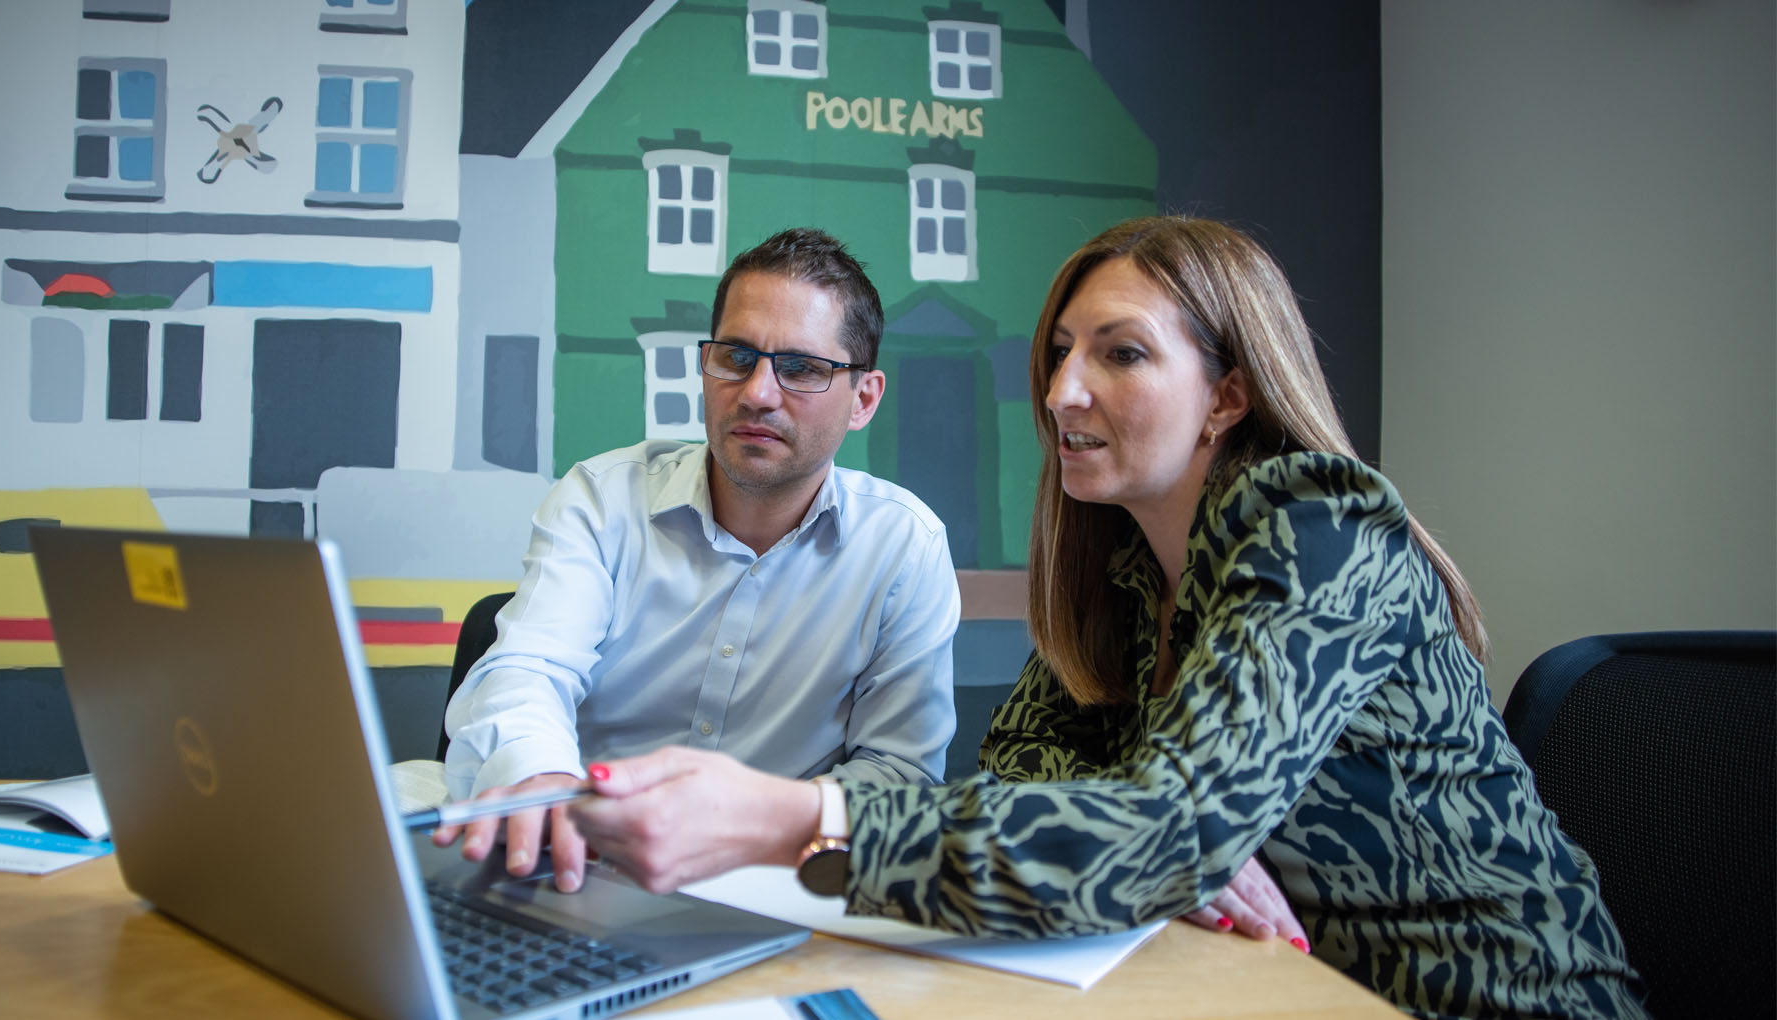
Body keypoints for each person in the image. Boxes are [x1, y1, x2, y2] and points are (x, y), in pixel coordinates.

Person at [561, 217, 1649, 1020]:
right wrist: (1169, 842)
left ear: (1226, 394)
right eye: (1059, 353)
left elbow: (1154, 833)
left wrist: (790, 819)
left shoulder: (1319, 526)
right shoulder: (1122, 570)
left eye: (1120, 355)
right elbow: (1025, 774)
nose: (1062, 392)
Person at [435, 227, 961, 891]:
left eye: (800, 368)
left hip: (770, 887)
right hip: (572, 866)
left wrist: (759, 834)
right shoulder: (601, 500)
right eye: (736, 357)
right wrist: (541, 778)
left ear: (864, 398)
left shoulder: (905, 548)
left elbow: (897, 777)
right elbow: (527, 671)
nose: (757, 394)